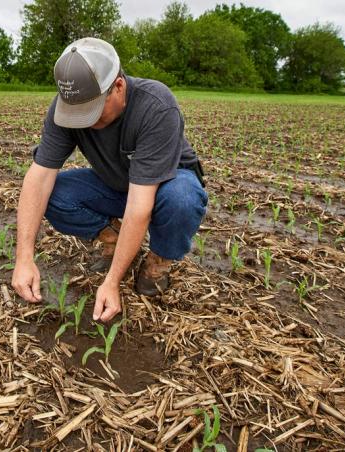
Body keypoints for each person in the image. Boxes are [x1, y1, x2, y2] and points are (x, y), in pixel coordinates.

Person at [11, 37, 207, 322]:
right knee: (53, 194)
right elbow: (38, 178)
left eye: (92, 110)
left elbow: (141, 204)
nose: (85, 121)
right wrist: (23, 258)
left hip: (166, 184)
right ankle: (112, 237)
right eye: (76, 112)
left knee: (182, 200)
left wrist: (112, 281)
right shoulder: (65, 109)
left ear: (118, 85)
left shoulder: (156, 106)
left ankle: (158, 260)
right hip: (116, 183)